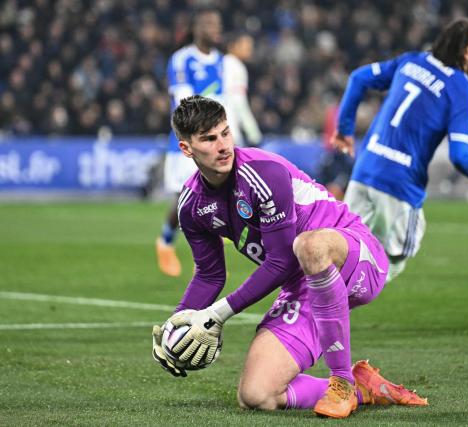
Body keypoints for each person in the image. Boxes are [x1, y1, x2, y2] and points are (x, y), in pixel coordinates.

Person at [151, 96, 427, 418]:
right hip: (301, 283)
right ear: (187, 149)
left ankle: (340, 383)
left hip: (355, 256)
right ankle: (362, 387)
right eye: (210, 139)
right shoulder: (191, 206)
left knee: (308, 246)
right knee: (256, 395)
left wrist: (216, 314)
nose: (223, 145)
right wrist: (177, 324)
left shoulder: (263, 173)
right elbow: (210, 275)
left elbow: (281, 260)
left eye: (226, 133)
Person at [332, 18, 468, 282]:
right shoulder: (463, 91)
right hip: (400, 187)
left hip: (364, 172)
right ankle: (322, 310)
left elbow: (358, 78)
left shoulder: (412, 61)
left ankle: (305, 308)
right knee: (392, 260)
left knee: (339, 252)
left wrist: (344, 129)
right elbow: (460, 156)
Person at [156, 11, 262, 277]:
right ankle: (165, 240)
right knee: (183, 198)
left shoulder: (225, 63)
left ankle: (203, 258)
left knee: (217, 195)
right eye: (209, 24)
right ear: (196, 27)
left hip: (214, 139)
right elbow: (183, 102)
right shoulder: (182, 59)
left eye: (218, 24)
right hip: (188, 140)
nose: (216, 29)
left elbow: (231, 103)